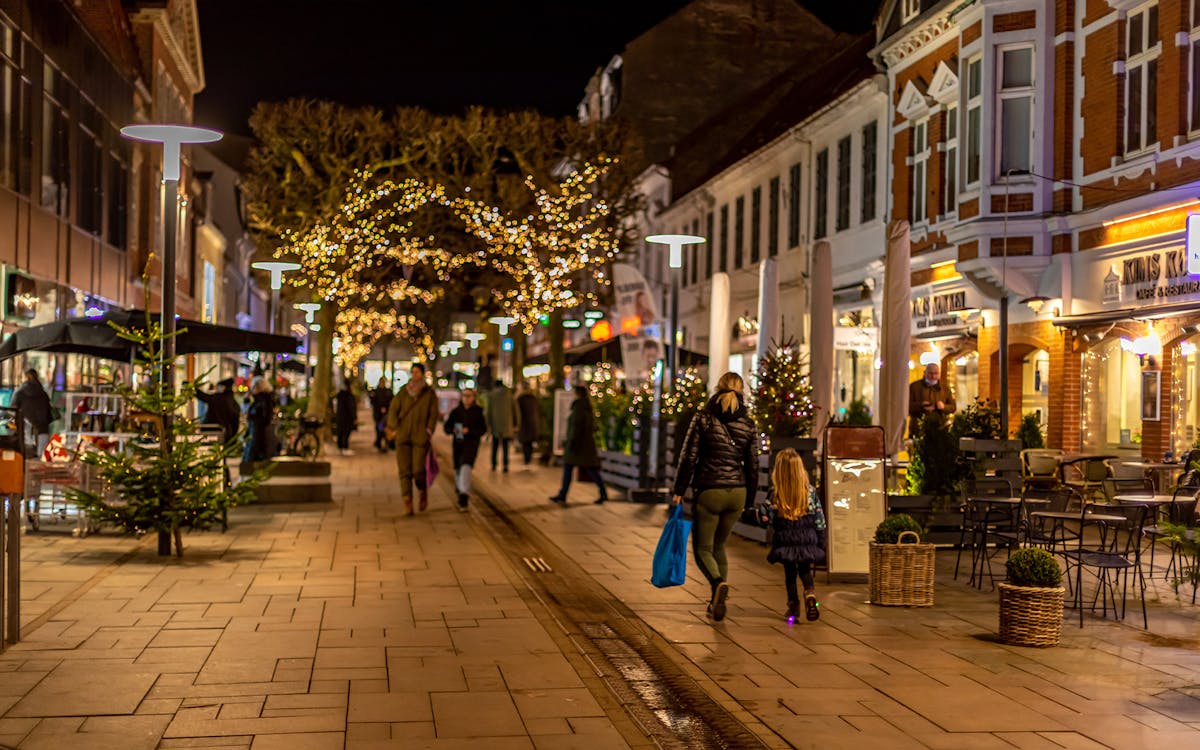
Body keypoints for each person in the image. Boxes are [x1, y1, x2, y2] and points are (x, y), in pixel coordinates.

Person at [671, 371, 759, 622]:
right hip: (737, 493)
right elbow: (752, 465)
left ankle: (718, 584)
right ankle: (716, 601)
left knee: (702, 549)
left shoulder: (703, 418)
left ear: (718, 388)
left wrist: (679, 490)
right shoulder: (748, 423)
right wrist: (750, 501)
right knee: (720, 546)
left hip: (709, 491)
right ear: (741, 391)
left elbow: (688, 456)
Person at [767, 449, 825, 623]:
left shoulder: (776, 494)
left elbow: (768, 518)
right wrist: (821, 541)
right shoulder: (810, 492)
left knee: (790, 573)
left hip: (786, 541)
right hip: (807, 538)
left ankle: (793, 606)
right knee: (805, 570)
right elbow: (820, 519)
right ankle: (810, 594)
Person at [386, 363, 439, 515]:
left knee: (418, 470)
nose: (414, 375)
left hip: (420, 437)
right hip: (402, 436)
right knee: (404, 471)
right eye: (413, 372)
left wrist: (429, 430)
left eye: (417, 372)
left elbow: (433, 414)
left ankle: (422, 491)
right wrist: (393, 427)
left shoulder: (429, 393)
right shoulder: (403, 392)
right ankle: (407, 500)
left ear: (422, 374)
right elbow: (393, 410)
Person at [549, 385, 607, 505]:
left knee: (569, 468)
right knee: (590, 469)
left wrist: (570, 442)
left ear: (577, 394)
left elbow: (575, 427)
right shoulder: (587, 407)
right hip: (586, 444)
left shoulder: (578, 408)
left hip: (577, 445)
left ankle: (563, 494)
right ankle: (602, 492)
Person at [444, 388, 487, 511]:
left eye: (469, 396)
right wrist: (453, 430)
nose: (466, 398)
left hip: (471, 444)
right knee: (458, 468)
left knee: (466, 466)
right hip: (458, 444)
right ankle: (461, 491)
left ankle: (464, 495)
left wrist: (470, 431)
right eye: (464, 396)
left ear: (474, 398)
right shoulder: (456, 412)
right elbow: (447, 427)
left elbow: (482, 429)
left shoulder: (478, 412)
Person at [13, 369, 53, 457]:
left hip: (26, 422)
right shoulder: (43, 392)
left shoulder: (20, 392)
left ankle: (28, 453)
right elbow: (48, 408)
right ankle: (40, 456)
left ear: (26, 378)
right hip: (42, 424)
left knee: (25, 431)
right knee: (42, 449)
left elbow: (13, 407)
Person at [908, 362, 956, 434]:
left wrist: (944, 407)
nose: (933, 376)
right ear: (925, 373)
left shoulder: (945, 388)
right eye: (930, 373)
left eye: (936, 373)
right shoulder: (914, 387)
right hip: (918, 428)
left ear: (939, 374)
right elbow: (906, 406)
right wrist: (921, 406)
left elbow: (953, 407)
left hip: (939, 428)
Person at [195, 377, 240, 444]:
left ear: (223, 387)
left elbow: (203, 397)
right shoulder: (233, 401)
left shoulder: (218, 398)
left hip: (211, 431)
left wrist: (192, 388)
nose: (216, 388)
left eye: (218, 386)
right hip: (226, 434)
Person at [485, 380, 518, 472]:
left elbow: (488, 412)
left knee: (495, 446)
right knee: (505, 446)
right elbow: (516, 410)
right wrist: (516, 424)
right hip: (507, 425)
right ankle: (505, 465)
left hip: (495, 425)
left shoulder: (491, 395)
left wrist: (488, 425)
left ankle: (494, 464)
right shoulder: (509, 395)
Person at [243, 376, 275, 463]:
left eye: (253, 386)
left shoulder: (264, 399)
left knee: (253, 460)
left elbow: (266, 417)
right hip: (254, 433)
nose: (251, 389)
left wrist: (256, 423)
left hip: (258, 434)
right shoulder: (258, 399)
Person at [516, 380, 540, 465]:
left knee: (525, 443)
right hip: (532, 423)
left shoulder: (520, 399)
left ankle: (527, 459)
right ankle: (528, 458)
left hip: (524, 424)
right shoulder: (533, 398)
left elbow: (517, 412)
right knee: (529, 443)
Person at [334, 381, 357, 456]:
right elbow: (351, 408)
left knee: (341, 432)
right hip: (347, 418)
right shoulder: (348, 396)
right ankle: (344, 447)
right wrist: (354, 417)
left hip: (340, 418)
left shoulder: (340, 396)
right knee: (345, 433)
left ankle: (341, 447)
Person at [370, 379, 393, 452]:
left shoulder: (388, 392)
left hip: (386, 416)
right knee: (379, 429)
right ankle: (379, 443)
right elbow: (373, 402)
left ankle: (385, 444)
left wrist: (386, 408)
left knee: (385, 430)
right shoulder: (376, 392)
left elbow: (391, 402)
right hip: (378, 416)